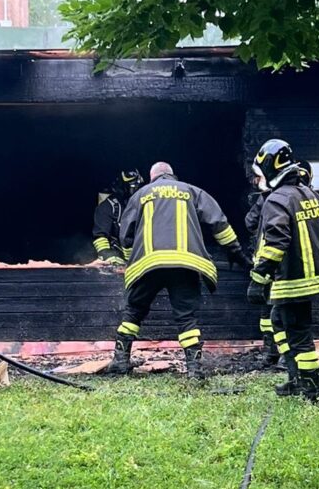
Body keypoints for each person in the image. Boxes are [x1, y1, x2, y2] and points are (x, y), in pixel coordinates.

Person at [106, 161, 250, 379]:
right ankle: (194, 369)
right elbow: (220, 224)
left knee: (133, 312)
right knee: (186, 318)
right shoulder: (192, 191)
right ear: (172, 175)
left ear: (152, 177)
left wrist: (130, 262)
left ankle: (119, 362)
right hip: (185, 265)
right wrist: (238, 255)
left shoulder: (141, 195)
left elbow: (125, 234)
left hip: (148, 265)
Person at [248, 141, 319, 404]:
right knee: (279, 321)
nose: (257, 180)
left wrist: (258, 278)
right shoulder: (311, 195)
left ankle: (314, 392)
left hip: (293, 283)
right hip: (316, 280)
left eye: (259, 173)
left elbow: (275, 242)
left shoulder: (276, 199)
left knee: (299, 336)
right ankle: (295, 377)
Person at [244, 173, 277, 367]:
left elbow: (250, 223)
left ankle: (272, 352)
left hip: (268, 264)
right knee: (274, 311)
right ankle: (275, 354)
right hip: (287, 267)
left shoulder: (266, 199)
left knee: (270, 311)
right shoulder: (302, 196)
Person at [92, 169, 145, 264]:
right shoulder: (108, 207)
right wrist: (109, 256)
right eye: (131, 187)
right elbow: (100, 236)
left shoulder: (147, 204)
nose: (135, 191)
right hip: (118, 257)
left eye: (137, 187)